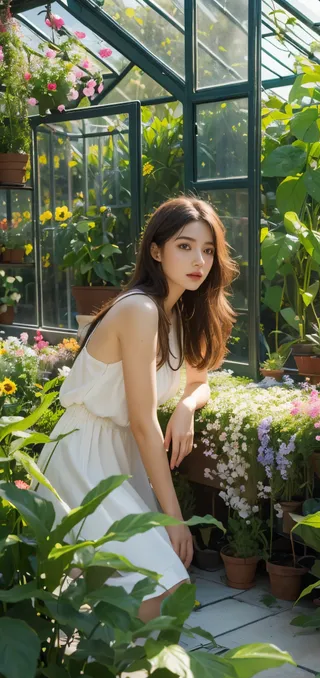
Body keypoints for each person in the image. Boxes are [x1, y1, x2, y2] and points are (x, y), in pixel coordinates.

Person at [36, 197, 237, 622]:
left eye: (206, 250)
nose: (198, 259)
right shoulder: (140, 309)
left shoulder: (182, 313)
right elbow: (145, 424)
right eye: (184, 246)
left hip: (120, 455)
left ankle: (112, 667)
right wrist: (175, 518)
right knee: (159, 588)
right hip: (84, 455)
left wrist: (185, 406)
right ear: (156, 250)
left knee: (160, 586)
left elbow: (200, 383)